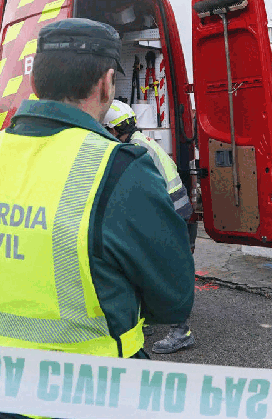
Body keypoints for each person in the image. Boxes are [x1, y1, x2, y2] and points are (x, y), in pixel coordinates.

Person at [0, 19, 195, 419]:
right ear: (106, 84)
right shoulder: (118, 168)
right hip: (90, 395)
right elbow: (174, 299)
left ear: (36, 81)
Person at [103, 99, 196, 354]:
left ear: (112, 130)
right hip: (179, 209)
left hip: (171, 214)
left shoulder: (133, 150)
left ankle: (181, 333)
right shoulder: (141, 141)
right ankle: (146, 320)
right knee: (147, 267)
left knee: (166, 271)